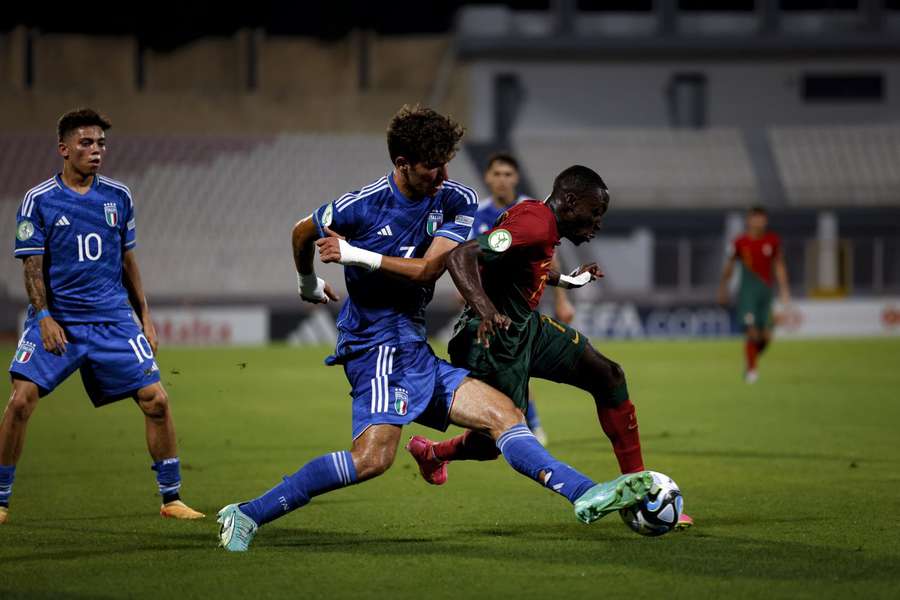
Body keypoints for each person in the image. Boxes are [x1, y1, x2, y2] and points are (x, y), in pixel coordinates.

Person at [216, 106, 653, 552]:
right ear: (402, 164)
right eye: (432, 165)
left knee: (506, 417)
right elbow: (301, 231)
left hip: (414, 344)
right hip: (377, 347)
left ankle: (585, 493)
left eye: (447, 161)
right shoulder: (361, 206)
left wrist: (356, 256)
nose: (443, 173)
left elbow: (430, 269)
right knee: (372, 460)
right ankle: (246, 513)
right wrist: (307, 282)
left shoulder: (455, 198)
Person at [349, 164, 693, 530]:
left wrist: (567, 281)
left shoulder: (540, 223)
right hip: (492, 340)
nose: (597, 224)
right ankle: (432, 453)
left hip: (526, 327)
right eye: (594, 214)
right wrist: (486, 310)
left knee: (608, 376)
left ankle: (636, 489)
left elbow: (523, 262)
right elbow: (460, 256)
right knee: (493, 442)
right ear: (571, 201)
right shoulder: (535, 223)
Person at [2, 108, 204, 524]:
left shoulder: (119, 196)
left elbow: (128, 260)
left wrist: (144, 315)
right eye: (86, 143)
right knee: (21, 401)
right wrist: (43, 316)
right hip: (59, 321)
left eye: (101, 144)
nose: (96, 151)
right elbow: (31, 266)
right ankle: (0, 500)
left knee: (157, 401)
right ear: (64, 149)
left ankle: (171, 498)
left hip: (112, 321)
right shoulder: (39, 200)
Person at [472, 152, 576, 444]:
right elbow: (469, 257)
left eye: (508, 174)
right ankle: (506, 424)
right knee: (489, 367)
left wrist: (561, 301)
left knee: (516, 364)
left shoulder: (533, 210)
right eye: (497, 174)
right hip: (486, 305)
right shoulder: (478, 214)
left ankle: (528, 424)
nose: (502, 180)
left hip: (522, 302)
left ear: (515, 178)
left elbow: (550, 261)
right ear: (488, 178)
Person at [718, 206, 790, 384]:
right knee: (751, 332)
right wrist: (723, 288)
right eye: (755, 218)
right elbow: (729, 266)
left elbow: (779, 265)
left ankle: (750, 358)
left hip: (766, 294)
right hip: (747, 294)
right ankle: (752, 371)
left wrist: (784, 290)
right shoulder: (740, 242)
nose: (759, 221)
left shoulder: (772, 241)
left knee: (766, 336)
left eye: (762, 218)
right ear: (749, 220)